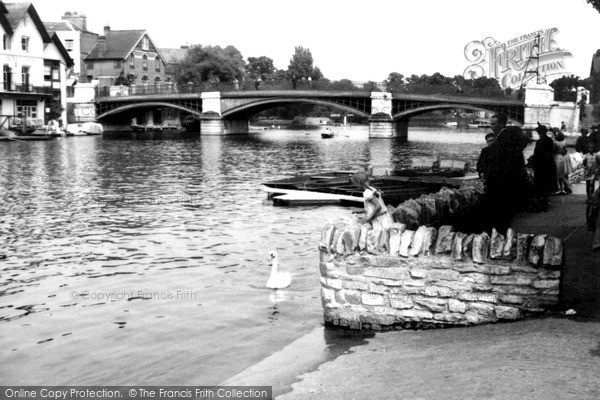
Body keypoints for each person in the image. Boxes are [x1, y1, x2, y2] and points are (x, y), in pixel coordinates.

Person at [484, 113, 528, 233]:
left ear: (502, 124)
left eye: (494, 124)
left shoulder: (503, 138)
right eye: (491, 124)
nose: (491, 127)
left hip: (502, 183)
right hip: (512, 182)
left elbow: (501, 163)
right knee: (506, 217)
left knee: (500, 216)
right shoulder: (511, 136)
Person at [529, 123, 556, 211]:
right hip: (548, 165)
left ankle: (541, 205)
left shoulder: (540, 141)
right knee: (545, 185)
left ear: (539, 132)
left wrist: (532, 161)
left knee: (539, 185)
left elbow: (538, 155)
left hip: (541, 166)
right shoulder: (549, 140)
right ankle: (544, 204)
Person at [553, 129, 571, 194]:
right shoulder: (564, 142)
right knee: (562, 174)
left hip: (557, 157)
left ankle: (559, 188)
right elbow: (565, 151)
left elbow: (553, 151)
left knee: (557, 174)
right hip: (562, 157)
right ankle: (563, 188)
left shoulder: (555, 142)